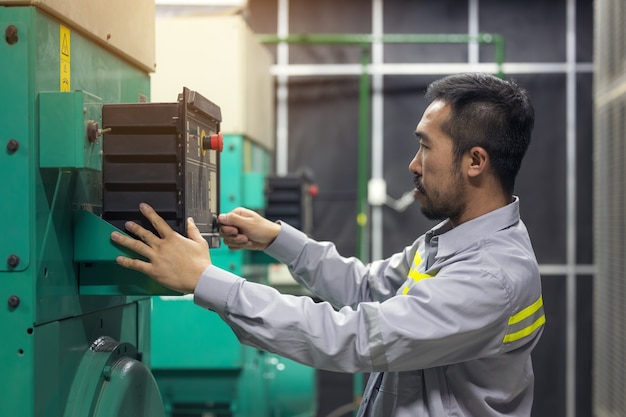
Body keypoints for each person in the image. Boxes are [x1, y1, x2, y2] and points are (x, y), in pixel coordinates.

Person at [111, 72, 544, 417]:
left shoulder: (490, 275)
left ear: (475, 161)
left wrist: (206, 280)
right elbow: (367, 288)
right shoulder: (453, 240)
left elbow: (355, 338)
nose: (414, 164)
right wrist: (280, 240)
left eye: (425, 147)